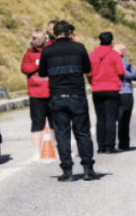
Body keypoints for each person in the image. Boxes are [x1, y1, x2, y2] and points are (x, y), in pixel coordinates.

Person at [38, 21, 99, 182]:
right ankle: (88, 170)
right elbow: (87, 68)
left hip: (57, 97)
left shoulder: (47, 51)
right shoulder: (79, 48)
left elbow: (42, 72)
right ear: (70, 32)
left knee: (62, 135)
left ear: (54, 33)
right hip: (77, 95)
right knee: (83, 133)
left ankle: (67, 171)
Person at [88, 32, 125, 153]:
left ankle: (101, 146)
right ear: (111, 41)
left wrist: (92, 82)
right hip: (112, 88)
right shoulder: (114, 55)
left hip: (97, 88)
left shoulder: (93, 55)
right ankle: (110, 146)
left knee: (100, 118)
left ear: (99, 40)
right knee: (111, 118)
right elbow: (120, 72)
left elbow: (88, 73)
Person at [21, 30, 53, 159]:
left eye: (38, 38)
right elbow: (25, 68)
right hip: (36, 93)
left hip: (52, 92)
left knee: (56, 124)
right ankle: (36, 151)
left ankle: (60, 149)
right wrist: (37, 64)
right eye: (34, 37)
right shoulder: (29, 54)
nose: (35, 40)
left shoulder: (51, 51)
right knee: (37, 124)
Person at [114, 44, 136, 150]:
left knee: (112, 119)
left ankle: (108, 143)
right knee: (124, 120)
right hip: (125, 92)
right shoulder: (126, 64)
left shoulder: (107, 62)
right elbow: (135, 75)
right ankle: (124, 143)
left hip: (113, 92)